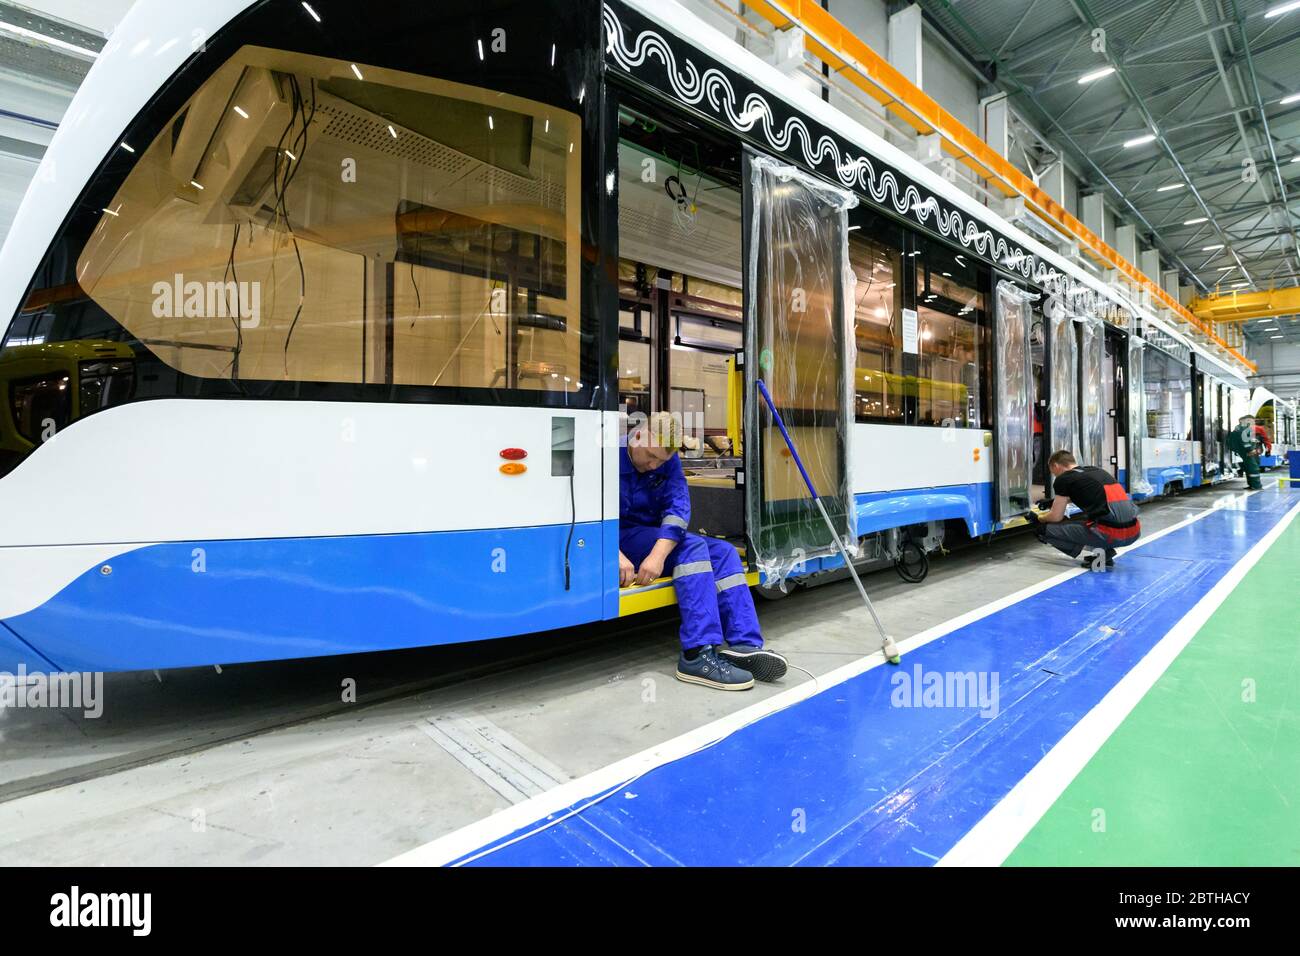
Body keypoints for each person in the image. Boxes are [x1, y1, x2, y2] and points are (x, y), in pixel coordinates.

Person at [620, 411, 787, 691]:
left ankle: (744, 642)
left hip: (650, 537)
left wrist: (658, 555)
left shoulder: (666, 459)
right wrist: (612, 554)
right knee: (694, 546)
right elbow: (586, 514)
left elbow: (678, 509)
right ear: (637, 436)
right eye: (650, 456)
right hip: (615, 537)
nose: (653, 465)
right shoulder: (605, 456)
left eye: (661, 460)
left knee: (724, 552)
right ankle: (696, 653)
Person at [1026, 450, 1141, 569]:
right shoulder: (1096, 471)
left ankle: (1104, 552)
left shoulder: (1064, 479)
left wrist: (1039, 518)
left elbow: (1056, 517)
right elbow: (1092, 496)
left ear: (1055, 466)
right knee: (1091, 517)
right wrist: (1052, 502)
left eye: (1053, 472)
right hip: (1134, 531)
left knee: (1043, 529)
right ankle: (1103, 554)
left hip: (1113, 535)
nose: (1054, 475)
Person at [1227, 414, 1264, 489]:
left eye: (1253, 421)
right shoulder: (1245, 428)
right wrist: (1251, 450)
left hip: (1244, 451)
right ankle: (1256, 485)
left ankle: (1251, 484)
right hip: (1248, 452)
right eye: (1250, 420)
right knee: (1253, 468)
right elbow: (1246, 441)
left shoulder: (1239, 428)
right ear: (1243, 421)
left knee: (1248, 468)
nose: (1252, 423)